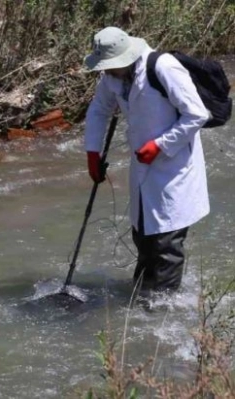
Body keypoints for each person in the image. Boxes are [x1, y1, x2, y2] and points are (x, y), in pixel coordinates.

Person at [83, 27, 211, 297]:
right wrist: (92, 153)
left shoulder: (163, 67)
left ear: (124, 58)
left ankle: (160, 312)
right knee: (143, 237)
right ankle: (142, 298)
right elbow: (98, 110)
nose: (105, 72)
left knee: (166, 246)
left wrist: (161, 145)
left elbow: (197, 114)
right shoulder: (112, 77)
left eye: (109, 66)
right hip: (142, 166)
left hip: (175, 167)